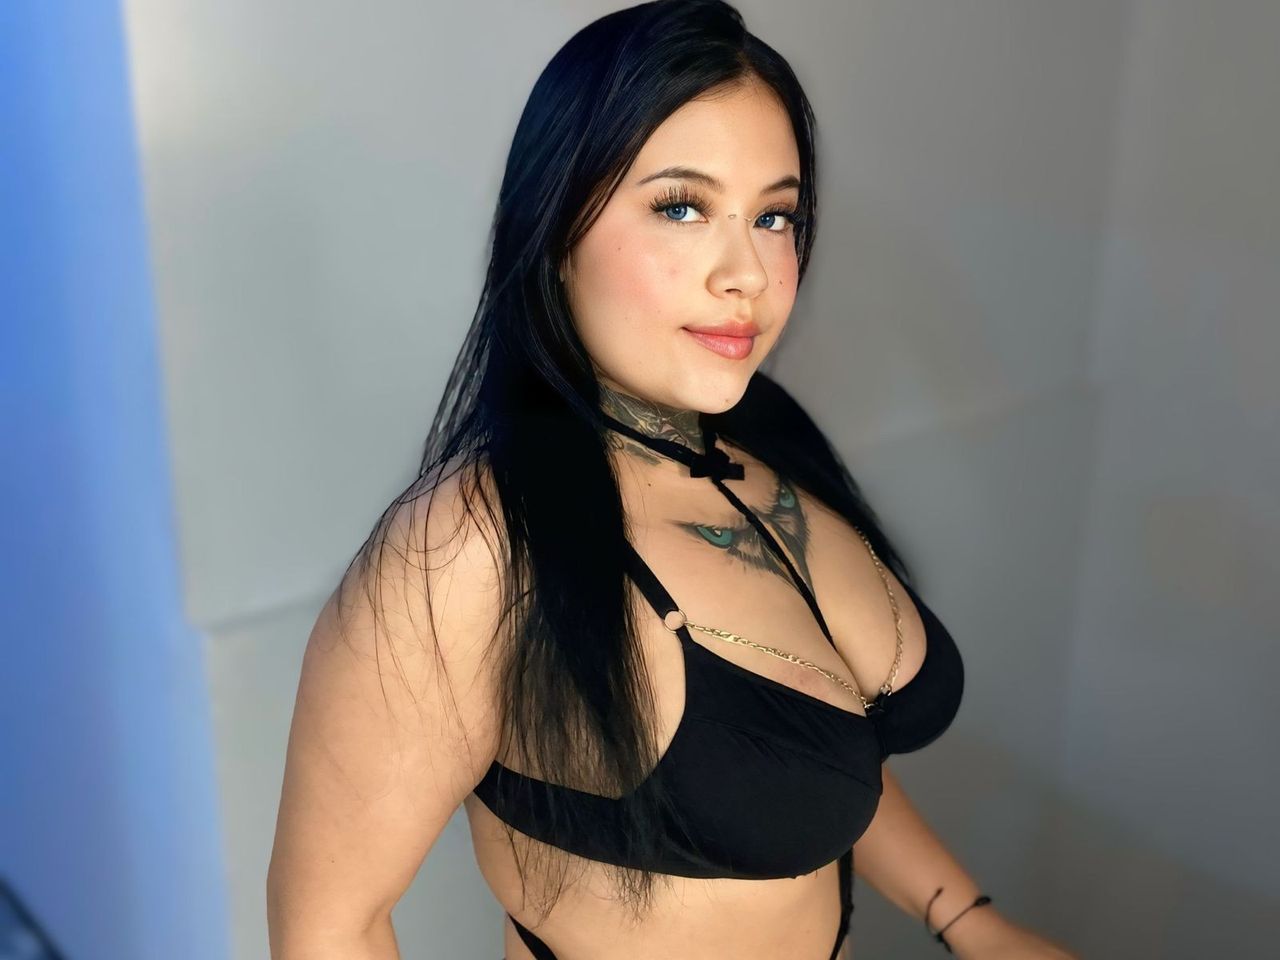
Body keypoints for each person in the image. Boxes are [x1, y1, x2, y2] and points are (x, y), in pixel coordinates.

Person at [267, 2, 1079, 958]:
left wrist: (969, 920)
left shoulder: (766, 441)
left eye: (774, 216)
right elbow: (330, 924)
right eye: (682, 207)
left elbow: (820, 750)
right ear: (556, 225)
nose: (749, 273)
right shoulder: (469, 553)